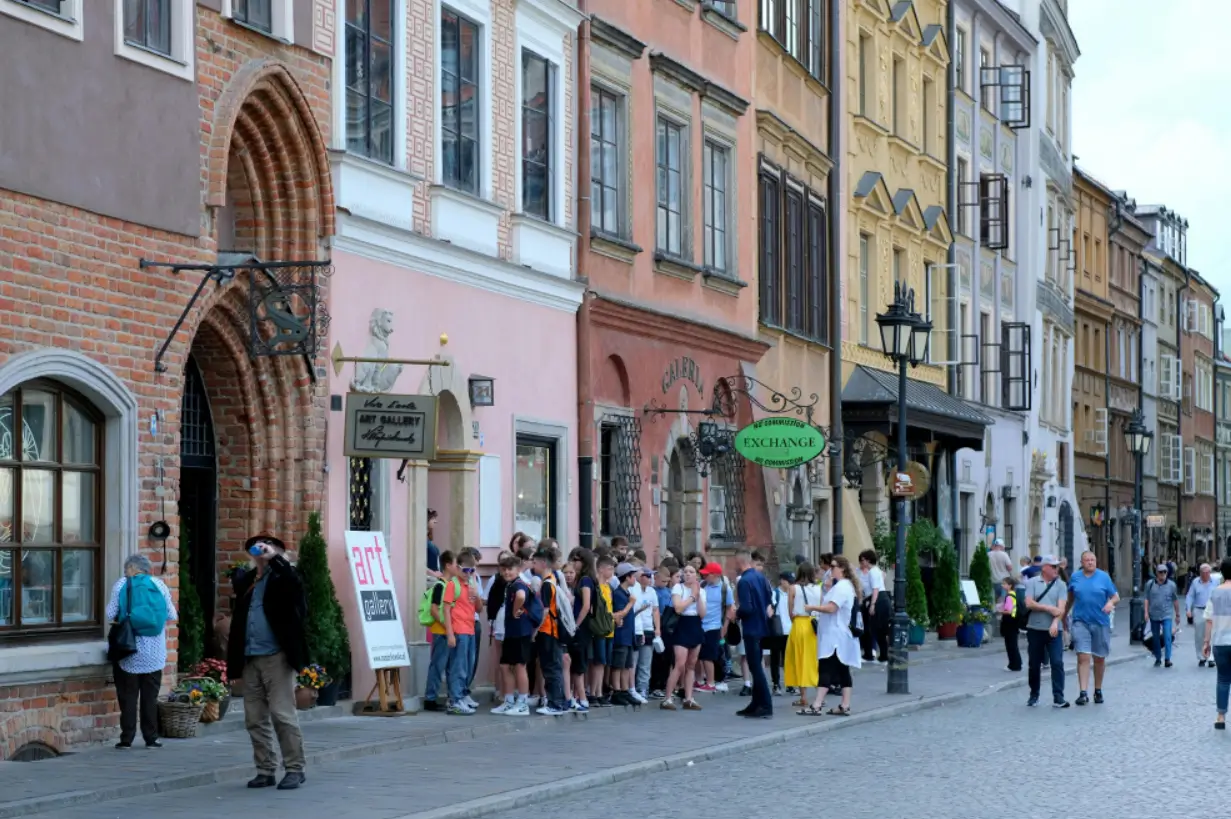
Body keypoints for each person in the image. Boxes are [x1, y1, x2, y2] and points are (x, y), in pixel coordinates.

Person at [227, 534, 309, 790]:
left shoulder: (285, 578)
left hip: (277, 657)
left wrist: (274, 560)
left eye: (268, 546)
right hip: (250, 657)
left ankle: (295, 768)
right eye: (257, 547)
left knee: (282, 714)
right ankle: (265, 769)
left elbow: (294, 585)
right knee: (254, 718)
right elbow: (238, 590)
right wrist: (258, 565)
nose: (261, 550)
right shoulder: (249, 581)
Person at [106, 553, 177, 749]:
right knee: (150, 697)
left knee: (127, 696)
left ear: (131, 568)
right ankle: (151, 738)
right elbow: (171, 613)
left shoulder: (122, 584)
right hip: (155, 651)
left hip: (129, 649)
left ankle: (126, 738)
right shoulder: (159, 585)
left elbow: (111, 613)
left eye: (126, 568)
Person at [800, 555, 862, 716]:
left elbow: (832, 608)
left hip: (835, 637)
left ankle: (817, 705)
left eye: (833, 566)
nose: (830, 569)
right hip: (839, 635)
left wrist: (812, 607)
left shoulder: (842, 586)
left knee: (826, 668)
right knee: (842, 670)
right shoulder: (844, 586)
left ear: (842, 568)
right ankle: (845, 705)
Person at [1066, 551, 1118, 706]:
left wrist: (1110, 603)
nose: (1090, 562)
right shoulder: (1075, 577)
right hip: (1080, 621)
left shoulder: (1104, 577)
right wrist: (1063, 616)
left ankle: (1098, 689)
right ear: (1082, 562)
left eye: (1092, 560)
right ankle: (1083, 693)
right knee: (1083, 656)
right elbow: (1070, 598)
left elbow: (1116, 596)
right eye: (1087, 560)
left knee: (1099, 658)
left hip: (1100, 622)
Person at [1024, 555, 1069, 708]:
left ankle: (1058, 697)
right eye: (1054, 566)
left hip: (1054, 630)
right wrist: (1048, 608)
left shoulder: (1061, 585)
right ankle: (1034, 694)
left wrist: (1055, 623)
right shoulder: (1032, 582)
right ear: (1044, 568)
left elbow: (1061, 608)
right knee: (1034, 664)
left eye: (1058, 566)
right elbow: (1029, 603)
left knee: (1057, 662)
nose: (1057, 569)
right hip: (1035, 628)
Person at [734, 549, 774, 718]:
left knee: (755, 667)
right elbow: (769, 598)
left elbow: (747, 608)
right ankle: (756, 703)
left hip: (751, 627)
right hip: (762, 626)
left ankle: (765, 704)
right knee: (756, 665)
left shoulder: (744, 581)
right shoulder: (760, 577)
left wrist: (736, 613)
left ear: (740, 561)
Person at [660, 564, 706, 711]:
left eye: (691, 572)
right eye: (685, 572)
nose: (687, 574)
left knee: (691, 664)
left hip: (695, 624)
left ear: (696, 575)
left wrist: (697, 596)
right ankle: (667, 698)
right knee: (680, 664)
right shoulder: (678, 588)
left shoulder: (701, 591)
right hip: (682, 624)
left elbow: (702, 613)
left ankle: (688, 698)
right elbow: (678, 608)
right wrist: (692, 596)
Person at [493, 554, 533, 715]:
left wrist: (516, 608)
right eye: (504, 569)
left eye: (510, 569)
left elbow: (521, 596)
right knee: (504, 665)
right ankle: (509, 701)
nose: (507, 572)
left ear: (518, 569)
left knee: (519, 666)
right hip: (511, 631)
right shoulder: (510, 584)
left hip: (520, 631)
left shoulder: (518, 584)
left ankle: (522, 702)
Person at [443, 550, 481, 715]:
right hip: (459, 630)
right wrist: (450, 634)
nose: (468, 574)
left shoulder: (471, 586)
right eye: (465, 570)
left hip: (470, 629)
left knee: (469, 665)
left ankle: (463, 694)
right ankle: (454, 700)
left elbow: (479, 609)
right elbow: (445, 610)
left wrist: (476, 595)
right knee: (458, 666)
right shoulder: (453, 585)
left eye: (471, 571)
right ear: (458, 569)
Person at [532, 547, 568, 716]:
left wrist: (535, 631)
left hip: (548, 631)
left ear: (543, 563)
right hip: (552, 630)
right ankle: (558, 701)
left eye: (535, 562)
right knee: (554, 667)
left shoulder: (547, 583)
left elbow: (545, 611)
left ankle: (555, 703)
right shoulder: (553, 579)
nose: (533, 565)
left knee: (551, 668)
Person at [422, 551, 456, 711]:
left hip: (446, 631)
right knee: (438, 665)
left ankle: (439, 697)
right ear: (448, 565)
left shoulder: (449, 584)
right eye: (456, 564)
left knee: (445, 665)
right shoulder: (440, 585)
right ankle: (430, 698)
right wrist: (446, 624)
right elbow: (435, 609)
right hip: (441, 631)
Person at [1200, 557, 1231, 729]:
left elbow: (1209, 620)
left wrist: (1206, 642)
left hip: (1220, 642)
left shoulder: (1216, 592)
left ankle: (1220, 716)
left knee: (1223, 679)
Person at [567, 547, 597, 712]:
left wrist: (576, 624)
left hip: (581, 626)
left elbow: (586, 605)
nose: (573, 563)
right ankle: (577, 696)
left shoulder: (585, 580)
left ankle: (582, 698)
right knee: (576, 662)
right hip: (581, 625)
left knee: (578, 664)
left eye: (576, 560)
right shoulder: (582, 579)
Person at [785, 563, 820, 705]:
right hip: (814, 625)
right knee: (814, 660)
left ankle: (803, 697)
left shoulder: (793, 588)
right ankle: (819, 695)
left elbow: (790, 612)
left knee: (799, 659)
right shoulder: (819, 588)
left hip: (800, 624)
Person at [609, 562, 643, 705]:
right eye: (633, 576)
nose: (634, 579)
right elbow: (619, 615)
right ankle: (616, 691)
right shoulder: (618, 593)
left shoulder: (627, 593)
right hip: (621, 635)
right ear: (627, 577)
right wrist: (631, 604)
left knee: (627, 665)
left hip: (629, 634)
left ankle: (624, 690)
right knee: (618, 665)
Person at [697, 562, 730, 692]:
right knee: (699, 655)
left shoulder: (725, 589)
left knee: (708, 655)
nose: (705, 577)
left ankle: (710, 682)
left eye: (708, 574)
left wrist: (725, 626)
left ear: (715, 575)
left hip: (714, 625)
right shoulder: (702, 585)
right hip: (700, 624)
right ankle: (699, 680)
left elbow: (729, 608)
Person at [631, 567, 661, 699]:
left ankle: (643, 688)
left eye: (651, 576)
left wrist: (657, 628)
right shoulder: (634, 589)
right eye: (647, 576)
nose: (650, 579)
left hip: (648, 628)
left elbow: (655, 610)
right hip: (636, 628)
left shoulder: (652, 591)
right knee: (633, 661)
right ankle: (631, 688)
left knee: (645, 661)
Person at [1144, 563, 1180, 668]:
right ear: (1157, 573)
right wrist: (1146, 612)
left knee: (1167, 636)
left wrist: (1177, 615)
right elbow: (1146, 599)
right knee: (1155, 638)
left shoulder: (1171, 585)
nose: (1163, 574)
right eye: (1160, 572)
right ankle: (1158, 658)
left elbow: (1175, 600)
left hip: (1166, 614)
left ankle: (1167, 659)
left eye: (1165, 572)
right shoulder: (1150, 584)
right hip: (1154, 614)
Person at [857, 550, 888, 663]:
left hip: (877, 598)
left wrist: (872, 604)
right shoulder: (876, 571)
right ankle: (881, 655)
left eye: (862, 560)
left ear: (868, 560)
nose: (861, 563)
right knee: (877, 628)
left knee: (875, 628)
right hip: (879, 598)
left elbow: (875, 589)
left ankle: (881, 655)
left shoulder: (872, 572)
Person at [765, 572, 793, 695]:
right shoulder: (775, 593)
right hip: (777, 629)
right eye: (788, 581)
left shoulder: (792, 593)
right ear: (782, 581)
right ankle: (776, 684)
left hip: (790, 629)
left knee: (788, 659)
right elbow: (770, 609)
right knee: (775, 658)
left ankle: (790, 684)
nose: (790, 584)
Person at [1188, 563, 1217, 667]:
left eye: (1207, 572)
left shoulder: (1215, 582)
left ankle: (1210, 658)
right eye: (1203, 573)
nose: (1205, 575)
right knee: (1199, 635)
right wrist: (1188, 609)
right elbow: (1190, 596)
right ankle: (1201, 657)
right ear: (1200, 573)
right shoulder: (1195, 582)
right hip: (1199, 610)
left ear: (1210, 572)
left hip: (1212, 610)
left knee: (1211, 634)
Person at [998, 576, 1021, 672]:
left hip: (1009, 622)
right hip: (1013, 622)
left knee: (1011, 645)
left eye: (1004, 584)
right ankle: (1017, 663)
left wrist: (1000, 611)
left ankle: (1014, 665)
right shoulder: (1013, 594)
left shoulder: (1009, 596)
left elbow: (1009, 611)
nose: (1002, 585)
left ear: (1010, 585)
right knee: (1013, 644)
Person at [989, 538, 1015, 603]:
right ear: (1001, 546)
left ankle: (996, 611)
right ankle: (1002, 612)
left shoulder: (988, 554)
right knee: (1003, 599)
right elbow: (1010, 568)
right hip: (1004, 581)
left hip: (992, 580)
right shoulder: (1004, 554)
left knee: (994, 600)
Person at [426, 509, 442, 579]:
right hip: (429, 579)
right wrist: (433, 574)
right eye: (432, 519)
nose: (436, 521)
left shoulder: (428, 539)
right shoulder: (420, 540)